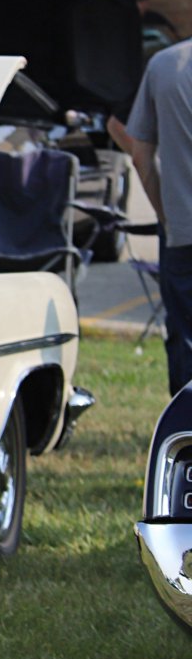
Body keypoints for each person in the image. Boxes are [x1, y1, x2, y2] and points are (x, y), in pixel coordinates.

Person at [127, 38, 192, 394]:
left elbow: (140, 155)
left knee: (185, 341)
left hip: (182, 232)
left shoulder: (165, 64)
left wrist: (167, 216)